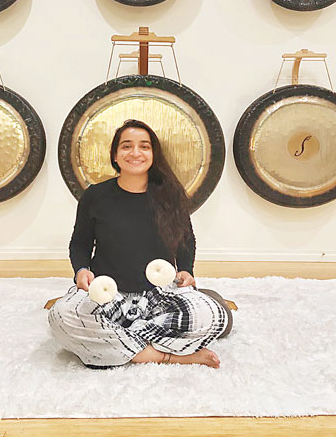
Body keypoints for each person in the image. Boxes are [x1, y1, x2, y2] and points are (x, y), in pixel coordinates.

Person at [48, 120, 229, 369]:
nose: (135, 153)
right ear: (115, 155)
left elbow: (186, 240)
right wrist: (81, 270)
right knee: (60, 316)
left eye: (144, 146)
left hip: (159, 296)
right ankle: (166, 355)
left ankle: (115, 341)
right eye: (126, 146)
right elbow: (80, 243)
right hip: (108, 296)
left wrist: (187, 270)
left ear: (153, 154)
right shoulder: (95, 196)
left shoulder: (171, 194)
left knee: (213, 315)